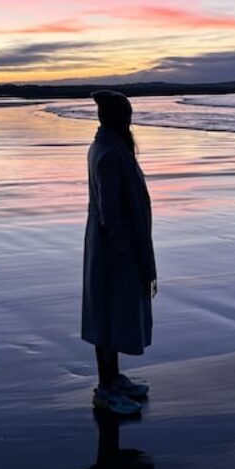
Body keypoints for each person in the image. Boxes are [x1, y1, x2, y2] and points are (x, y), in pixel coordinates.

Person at [82, 90, 157, 416]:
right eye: (126, 115)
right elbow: (110, 213)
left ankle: (113, 379)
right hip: (114, 249)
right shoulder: (109, 154)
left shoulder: (109, 147)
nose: (130, 121)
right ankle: (106, 388)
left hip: (113, 245)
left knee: (110, 312)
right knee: (108, 313)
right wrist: (128, 253)